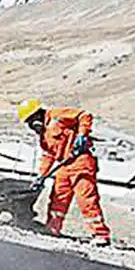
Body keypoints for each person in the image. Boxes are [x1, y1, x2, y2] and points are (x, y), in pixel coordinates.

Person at [17, 99, 111, 246]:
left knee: (86, 199)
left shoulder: (57, 114)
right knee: (57, 199)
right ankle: (52, 228)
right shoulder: (43, 136)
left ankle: (100, 234)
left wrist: (82, 135)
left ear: (37, 115)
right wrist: (41, 175)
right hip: (63, 166)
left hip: (80, 161)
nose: (31, 126)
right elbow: (48, 156)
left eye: (30, 121)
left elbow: (84, 115)